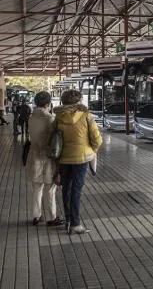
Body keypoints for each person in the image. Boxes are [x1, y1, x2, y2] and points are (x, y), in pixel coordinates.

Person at [54, 90, 102, 234]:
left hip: (63, 158)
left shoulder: (58, 117)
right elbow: (97, 139)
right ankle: (75, 224)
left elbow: (54, 138)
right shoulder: (87, 116)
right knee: (76, 190)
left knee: (66, 189)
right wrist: (91, 150)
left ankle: (68, 221)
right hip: (81, 158)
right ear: (78, 101)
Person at [27, 91, 64, 227]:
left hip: (34, 156)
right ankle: (51, 217)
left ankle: (36, 216)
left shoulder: (31, 118)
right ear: (48, 104)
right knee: (50, 189)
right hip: (48, 158)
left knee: (37, 189)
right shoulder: (51, 119)